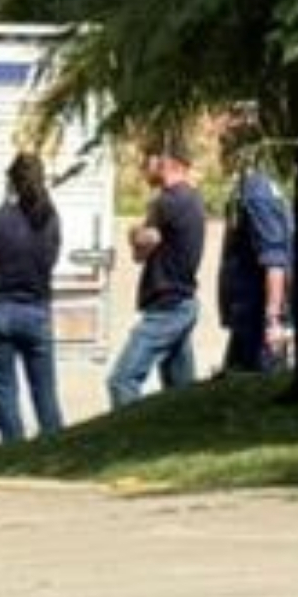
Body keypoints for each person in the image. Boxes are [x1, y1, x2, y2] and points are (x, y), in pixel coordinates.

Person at [0, 149, 66, 443]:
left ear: (11, 182)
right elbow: (50, 261)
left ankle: (14, 446)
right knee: (44, 388)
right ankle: (53, 442)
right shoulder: (50, 219)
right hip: (36, 310)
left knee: (4, 387)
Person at [104, 143, 207, 408]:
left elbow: (140, 250)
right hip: (184, 302)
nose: (146, 168)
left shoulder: (165, 202)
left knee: (122, 380)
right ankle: (185, 443)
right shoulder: (193, 198)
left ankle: (130, 443)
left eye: (151, 162)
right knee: (180, 393)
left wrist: (132, 233)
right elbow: (149, 242)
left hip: (166, 307)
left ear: (169, 164)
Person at [217, 110, 298, 380]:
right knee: (235, 387)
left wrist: (272, 320)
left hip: (256, 320)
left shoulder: (256, 190)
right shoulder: (256, 185)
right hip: (246, 316)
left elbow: (275, 260)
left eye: (225, 143)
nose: (221, 152)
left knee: (257, 388)